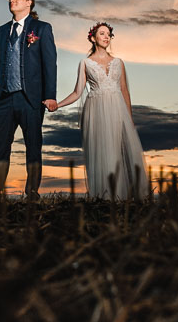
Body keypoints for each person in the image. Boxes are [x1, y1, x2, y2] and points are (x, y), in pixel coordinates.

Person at [55, 21, 149, 199]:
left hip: (117, 109)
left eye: (108, 34)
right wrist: (57, 105)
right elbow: (77, 92)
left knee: (118, 149)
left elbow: (124, 91)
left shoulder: (119, 62)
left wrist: (129, 119)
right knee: (102, 150)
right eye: (102, 34)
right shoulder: (85, 63)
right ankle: (104, 196)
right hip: (96, 109)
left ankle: (126, 195)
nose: (106, 37)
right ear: (93, 38)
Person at [0, 0, 58, 199]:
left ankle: (32, 191)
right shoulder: (1, 31)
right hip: (6, 97)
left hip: (31, 98)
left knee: (33, 146)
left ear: (29, 3)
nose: (12, 1)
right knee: (1, 146)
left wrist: (50, 95)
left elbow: (49, 65)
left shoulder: (42, 29)